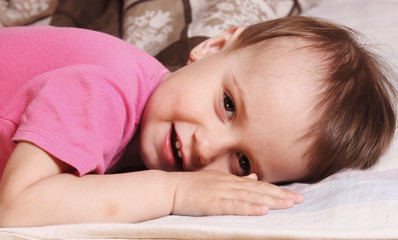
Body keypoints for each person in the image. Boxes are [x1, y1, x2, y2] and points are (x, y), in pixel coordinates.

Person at [0, 16, 396, 227]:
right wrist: (174, 192)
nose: (207, 148)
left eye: (242, 163)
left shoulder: (145, 133)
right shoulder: (108, 87)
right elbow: (17, 204)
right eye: (228, 105)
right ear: (212, 47)